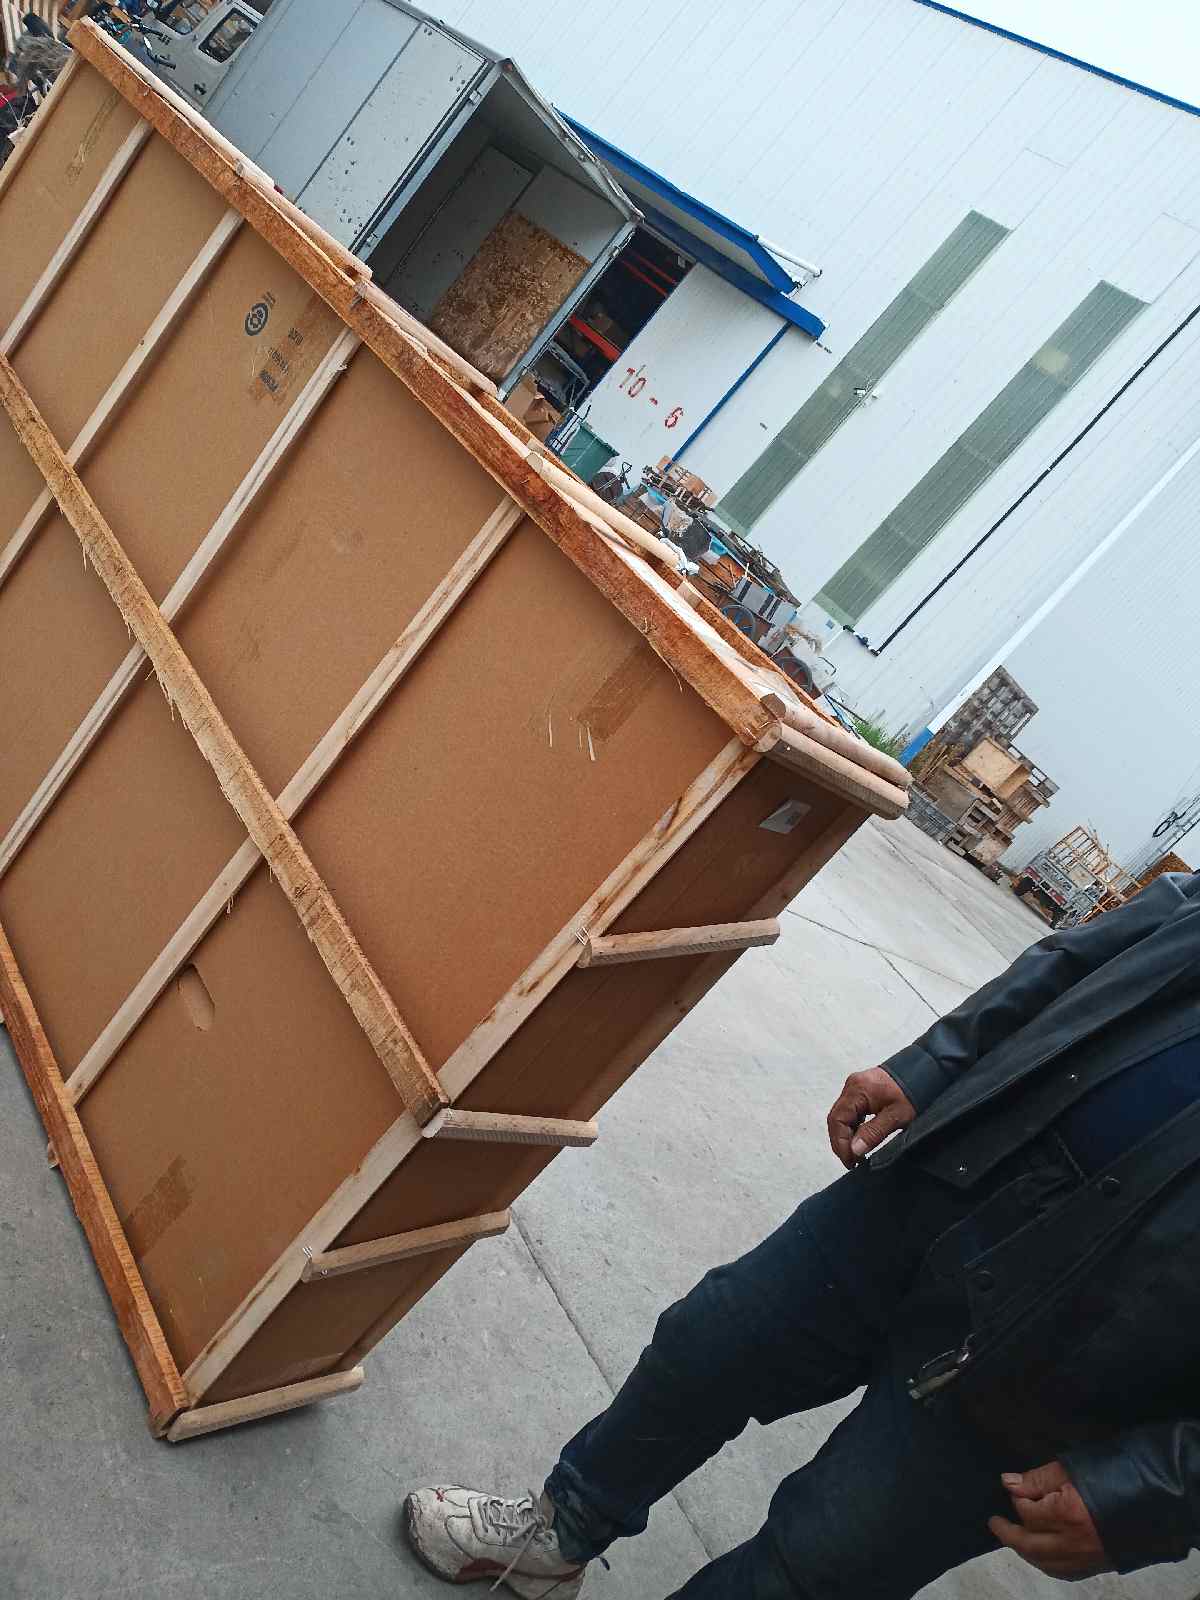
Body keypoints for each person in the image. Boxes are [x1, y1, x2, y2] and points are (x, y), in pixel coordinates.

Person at [403, 870, 1200, 1598]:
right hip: (955, 1175)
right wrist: (931, 1064)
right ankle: (561, 1535)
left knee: (818, 1564)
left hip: (1083, 1348)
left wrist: (1158, 1488)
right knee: (711, 1342)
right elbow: (1075, 959)